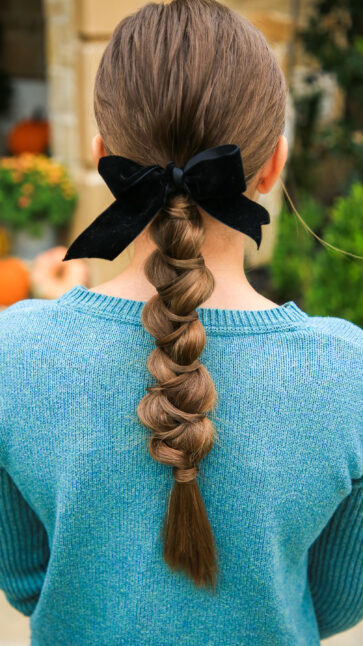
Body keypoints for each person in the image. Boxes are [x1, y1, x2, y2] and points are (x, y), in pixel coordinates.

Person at [0, 1, 362, 644]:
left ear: (105, 159)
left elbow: (28, 581)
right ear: (273, 165)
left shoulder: (15, 354)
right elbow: (337, 599)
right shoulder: (344, 375)